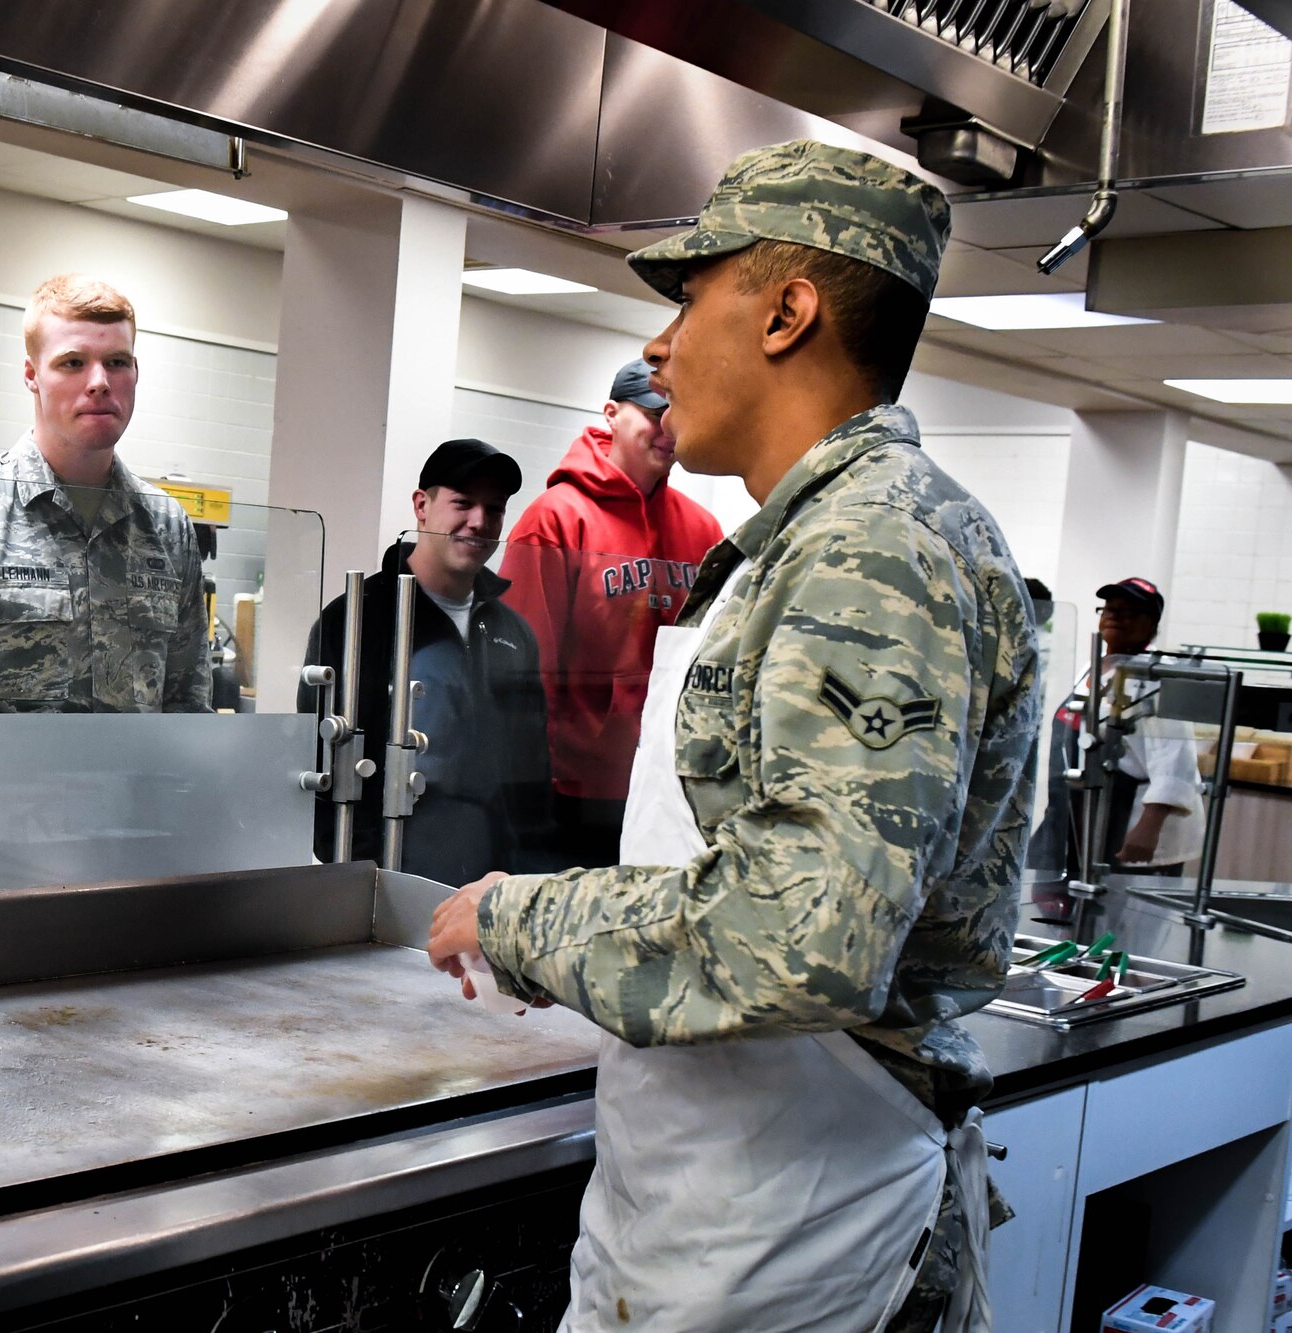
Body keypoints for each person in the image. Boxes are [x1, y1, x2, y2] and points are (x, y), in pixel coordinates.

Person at [428, 140, 1041, 1333]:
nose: (657, 347)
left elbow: (801, 937)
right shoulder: (796, 545)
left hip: (807, 1233)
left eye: (688, 298)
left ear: (784, 313)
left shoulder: (871, 552)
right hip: (723, 1212)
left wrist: (518, 916)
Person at [0, 274, 210, 712]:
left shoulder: (167, 526)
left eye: (117, 362)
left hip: (138, 782)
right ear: (31, 375)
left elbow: (188, 707)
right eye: (73, 363)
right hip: (4, 782)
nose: (99, 381)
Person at [499, 360, 722, 869]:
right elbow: (526, 670)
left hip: (672, 780)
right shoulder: (555, 518)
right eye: (652, 413)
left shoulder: (704, 528)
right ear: (611, 415)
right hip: (579, 789)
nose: (665, 429)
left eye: (675, 414)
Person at [299, 440, 551, 883]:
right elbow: (320, 759)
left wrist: (523, 872)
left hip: (490, 879)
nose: (479, 521)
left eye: (494, 509)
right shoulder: (359, 617)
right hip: (389, 872)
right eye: (463, 503)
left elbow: (530, 767)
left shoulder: (512, 631)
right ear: (422, 505)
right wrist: (358, 878)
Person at [1032, 577, 1204, 877]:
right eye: (1110, 609)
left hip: (1132, 822)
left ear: (1151, 624)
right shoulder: (1094, 666)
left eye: (1130, 612)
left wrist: (1148, 828)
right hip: (1085, 811)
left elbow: (1177, 760)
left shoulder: (1157, 678)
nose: (1115, 617)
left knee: (1123, 920)